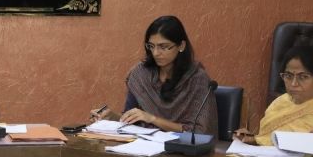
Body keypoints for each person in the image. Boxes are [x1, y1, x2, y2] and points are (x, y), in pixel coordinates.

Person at [90, 15, 218, 135]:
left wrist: (153, 119)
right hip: (143, 145)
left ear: (181, 46)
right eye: (151, 46)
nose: (156, 53)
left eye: (163, 47)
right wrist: (112, 117)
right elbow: (131, 117)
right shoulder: (140, 75)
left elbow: (199, 131)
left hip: (181, 148)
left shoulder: (197, 79)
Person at [249, 45, 313, 145]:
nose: (293, 84)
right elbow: (265, 138)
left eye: (303, 77)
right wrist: (251, 139)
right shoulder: (280, 102)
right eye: (288, 76)